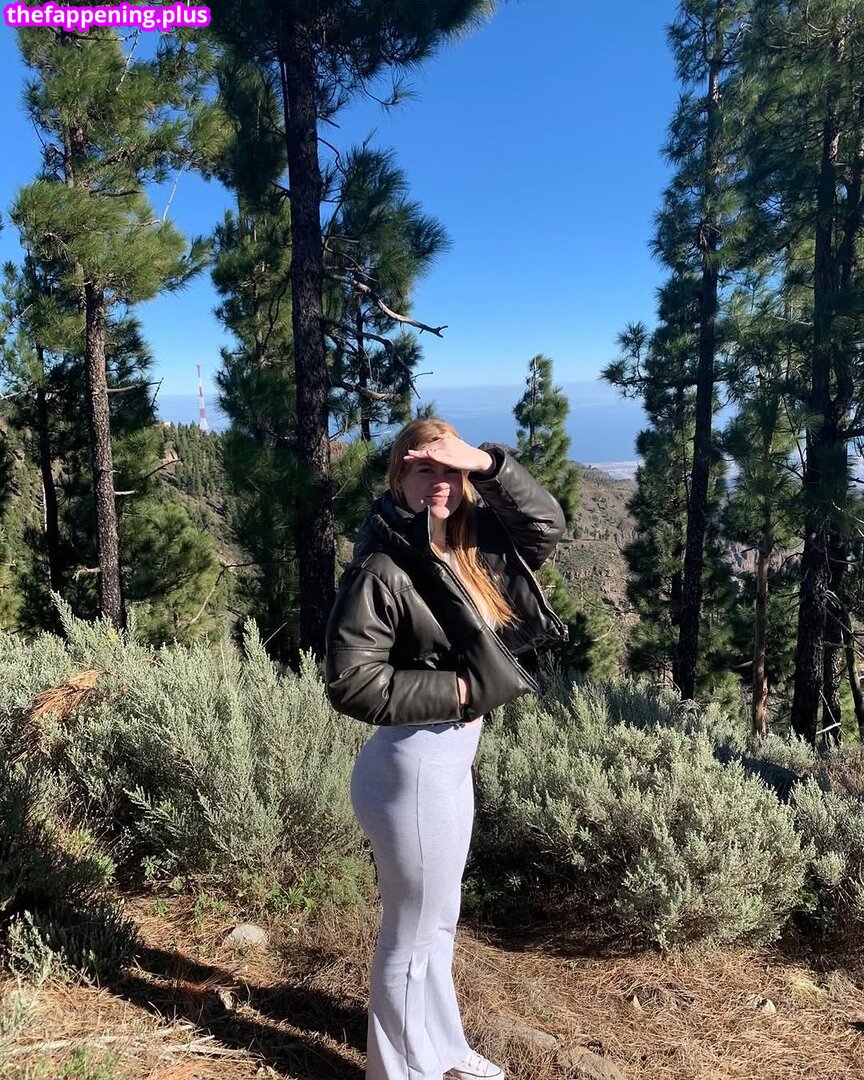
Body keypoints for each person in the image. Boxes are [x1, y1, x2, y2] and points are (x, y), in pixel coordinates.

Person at [325, 418, 566, 1080]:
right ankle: (400, 1071)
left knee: (440, 921)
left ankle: (443, 1048)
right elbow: (351, 681)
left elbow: (547, 526)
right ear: (398, 478)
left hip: (449, 763)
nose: (439, 481)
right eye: (423, 467)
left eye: (449, 469)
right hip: (412, 766)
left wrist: (487, 463)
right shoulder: (382, 566)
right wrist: (459, 690)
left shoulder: (473, 541)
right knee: (409, 935)